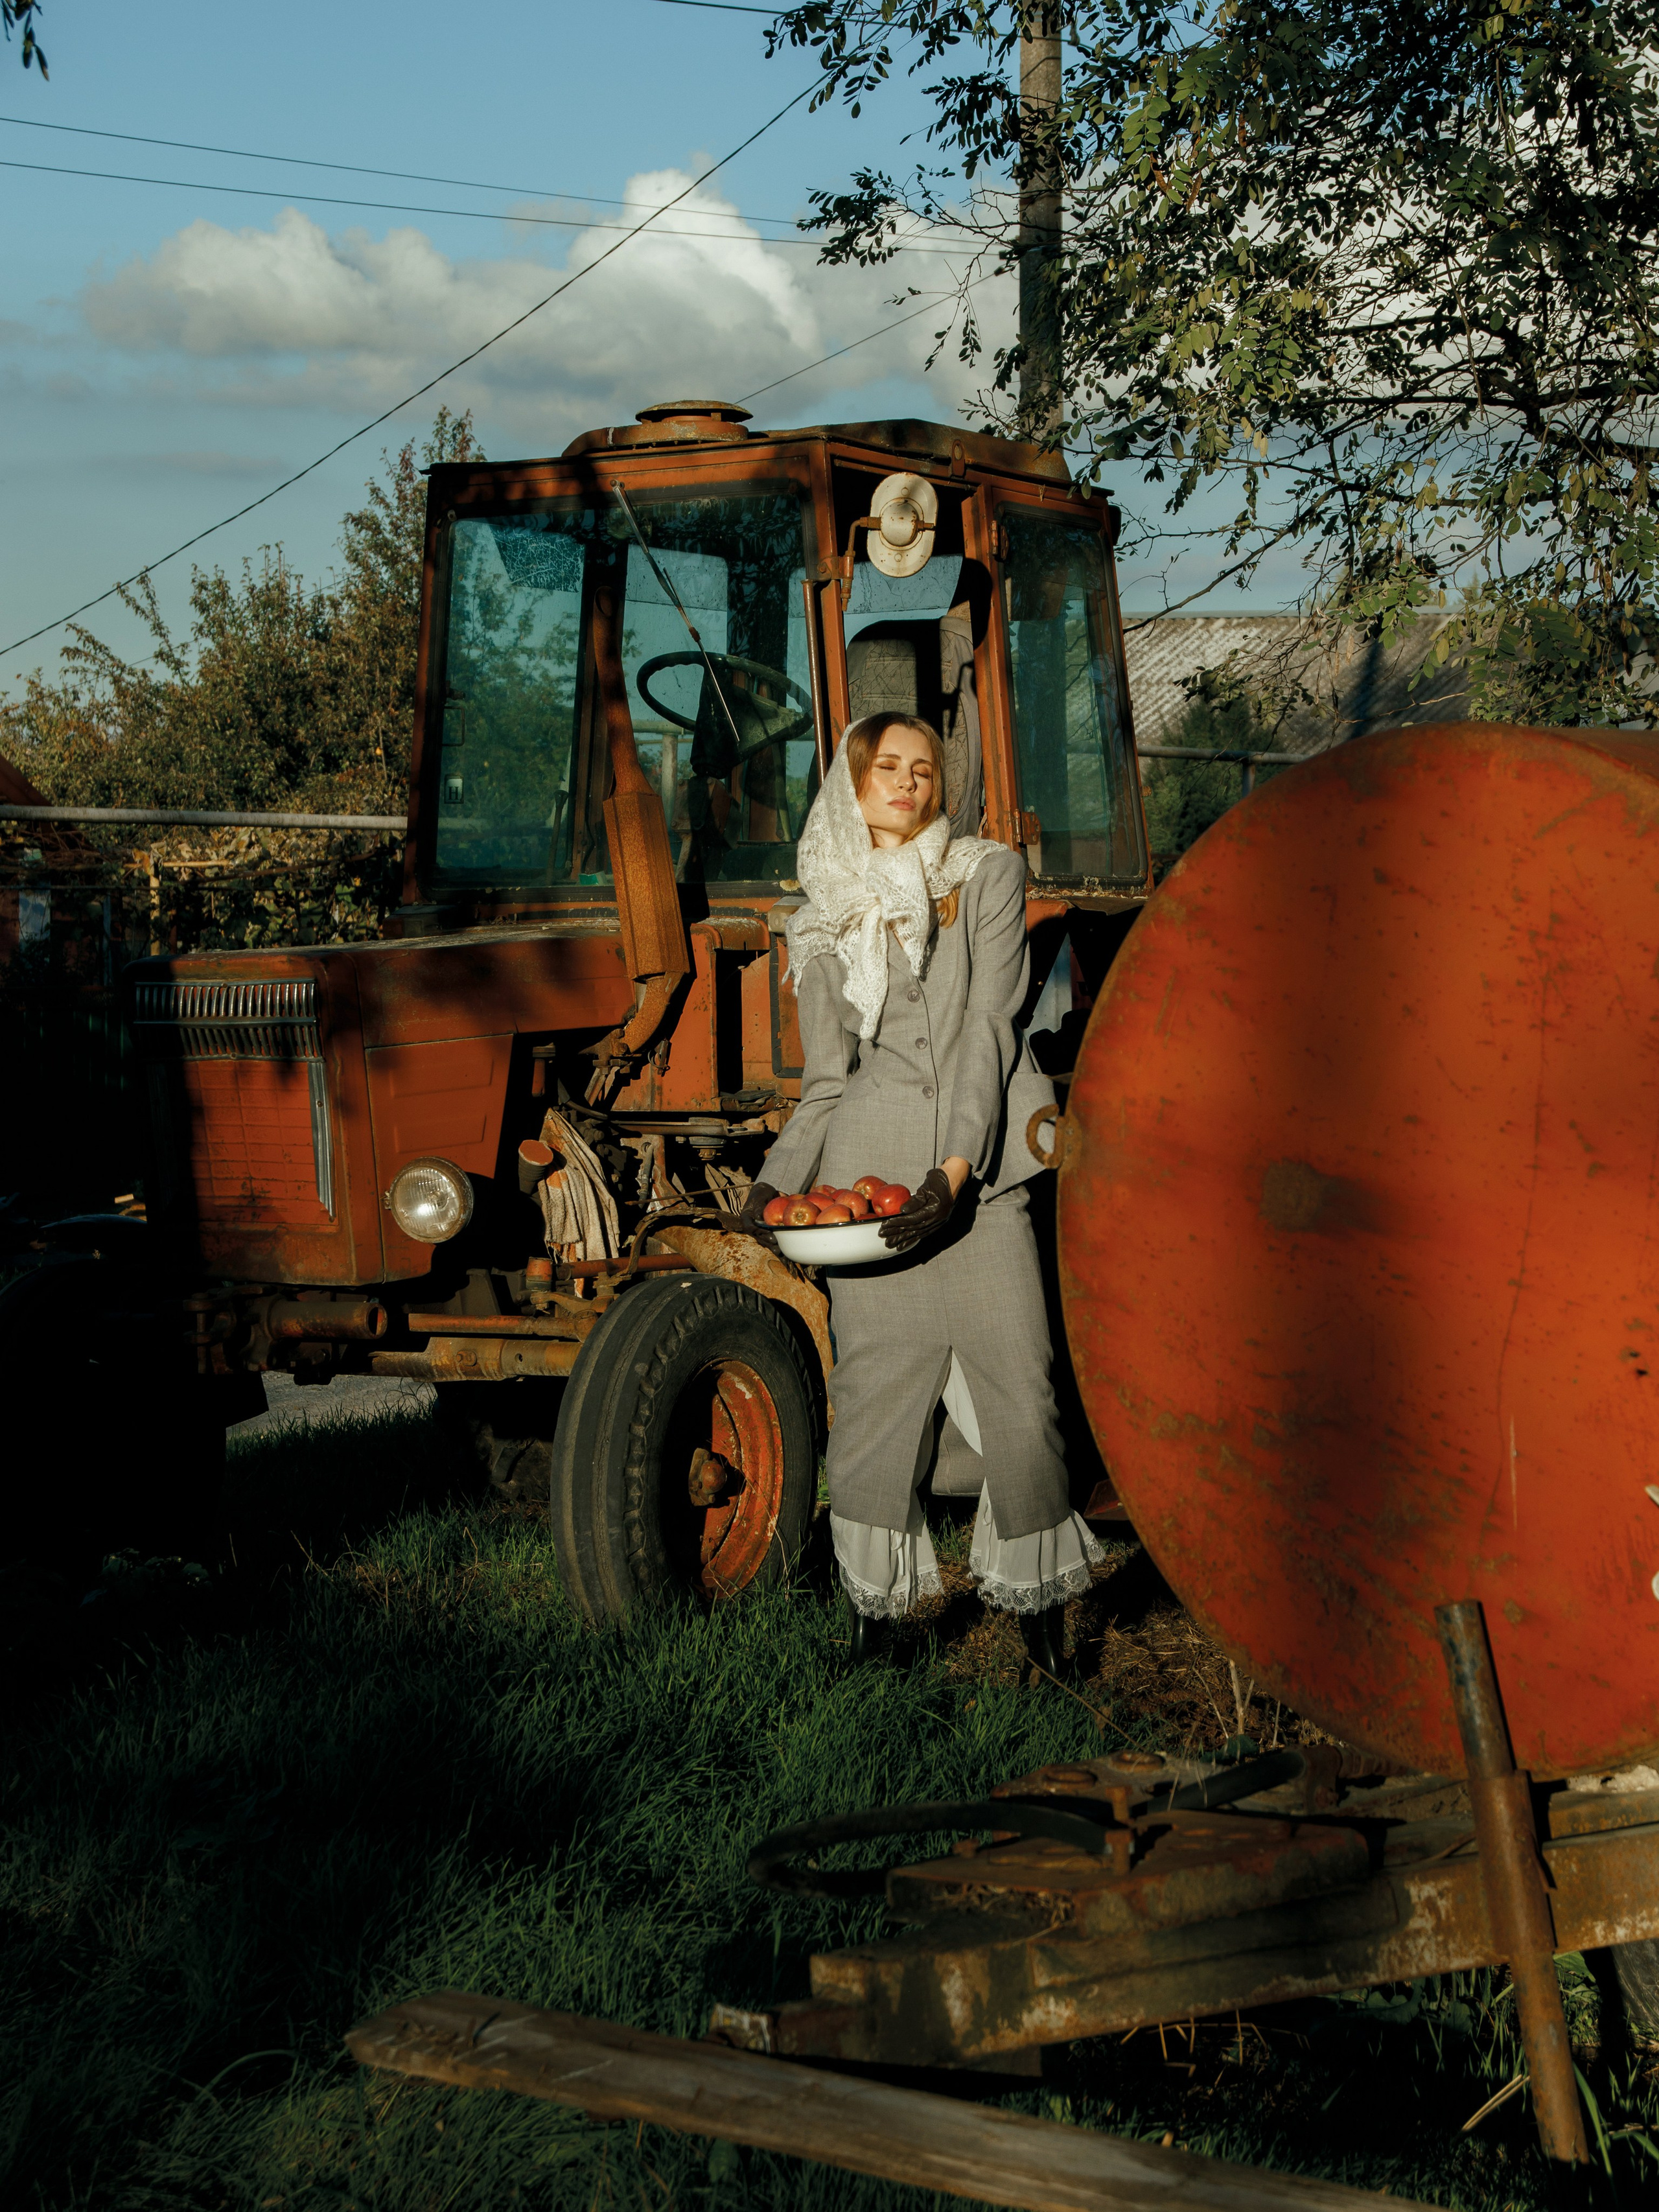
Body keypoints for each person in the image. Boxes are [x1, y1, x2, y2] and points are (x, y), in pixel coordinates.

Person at [738, 710, 1102, 1668]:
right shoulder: (816, 921)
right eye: (887, 767)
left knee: (1023, 1391)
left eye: (925, 769)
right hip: (869, 1188)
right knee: (872, 1403)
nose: (908, 781)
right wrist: (773, 1186)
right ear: (850, 787)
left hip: (976, 1178)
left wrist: (953, 1173)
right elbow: (826, 1083)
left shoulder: (981, 873)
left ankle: (1044, 1628)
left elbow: (990, 1025)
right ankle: (877, 1625)